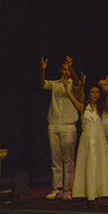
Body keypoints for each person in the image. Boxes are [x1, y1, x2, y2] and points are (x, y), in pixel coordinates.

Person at [63, 76, 108, 207]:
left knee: (97, 167)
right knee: (87, 167)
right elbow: (73, 99)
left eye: (97, 92)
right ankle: (88, 195)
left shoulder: (102, 108)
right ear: (89, 94)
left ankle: (97, 194)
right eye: (92, 92)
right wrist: (66, 88)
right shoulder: (83, 108)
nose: (95, 94)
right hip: (86, 142)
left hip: (99, 142)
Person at [41, 56, 80, 201]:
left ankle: (67, 190)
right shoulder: (55, 84)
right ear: (59, 71)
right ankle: (56, 188)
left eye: (67, 69)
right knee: (55, 159)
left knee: (68, 159)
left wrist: (71, 68)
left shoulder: (73, 84)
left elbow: (77, 82)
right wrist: (43, 70)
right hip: (54, 124)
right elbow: (42, 84)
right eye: (63, 69)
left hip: (69, 125)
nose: (65, 71)